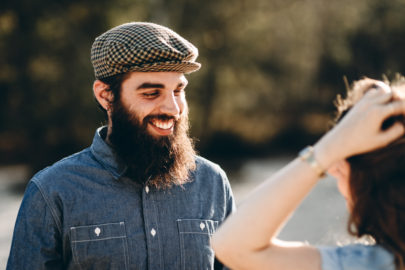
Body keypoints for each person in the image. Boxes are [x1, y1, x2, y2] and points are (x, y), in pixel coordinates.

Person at [7, 22, 235, 270]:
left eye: (178, 91)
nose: (173, 108)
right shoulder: (52, 192)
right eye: (151, 93)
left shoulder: (213, 184)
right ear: (105, 95)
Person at [211, 78, 405, 270]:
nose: (333, 169)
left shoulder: (374, 264)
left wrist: (325, 152)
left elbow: (232, 246)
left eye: (344, 157)